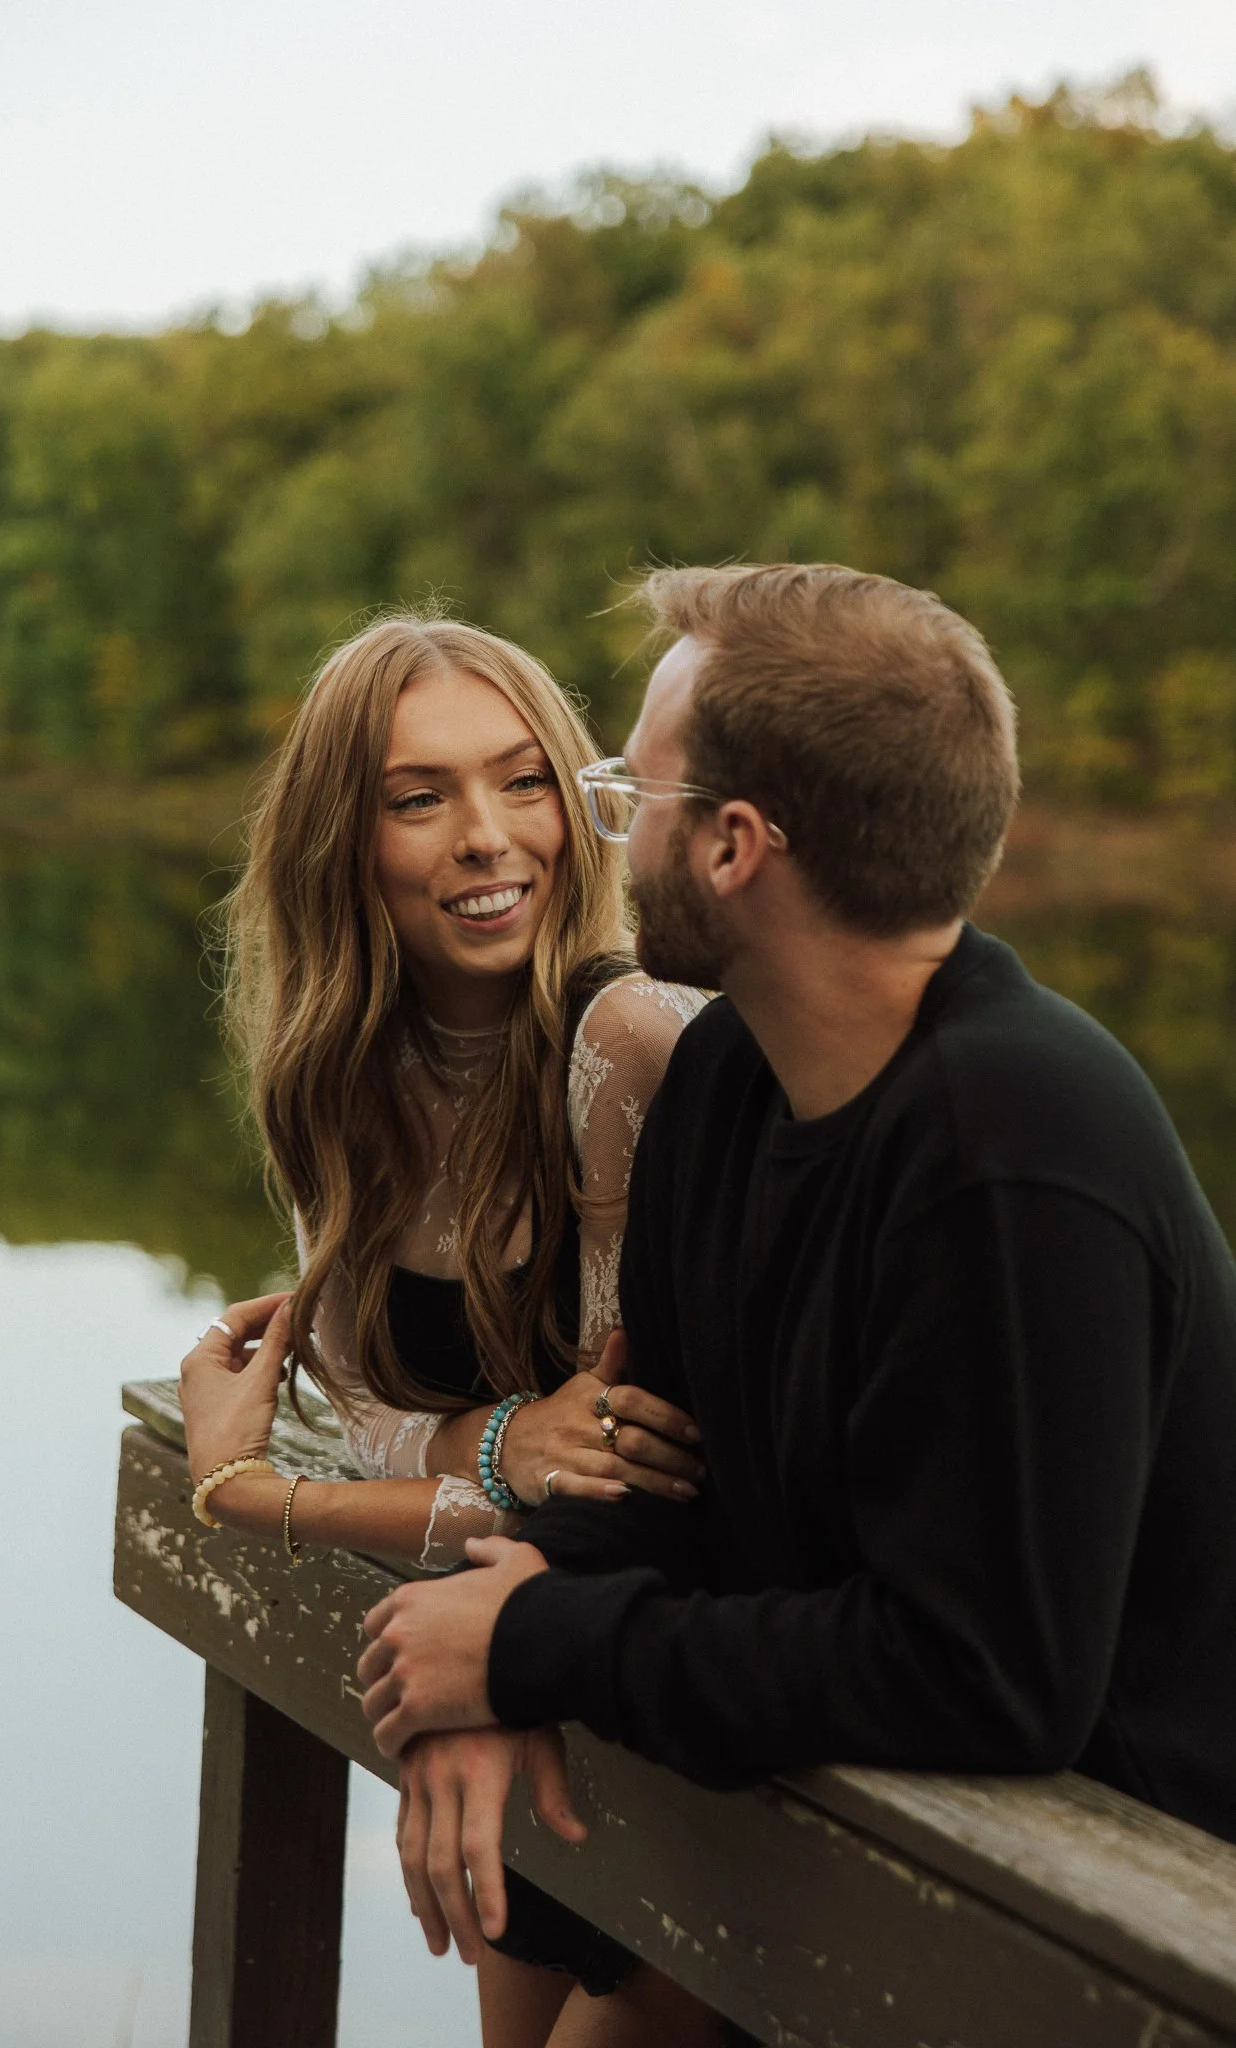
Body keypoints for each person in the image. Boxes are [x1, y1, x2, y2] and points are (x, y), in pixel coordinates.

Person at [356, 564, 1236, 2024]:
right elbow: (653, 1459)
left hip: (1110, 1939)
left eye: (631, 801)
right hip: (866, 1865)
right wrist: (497, 1626)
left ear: (734, 848)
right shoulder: (724, 1079)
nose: (604, 841)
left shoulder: (1015, 1153)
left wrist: (533, 1646)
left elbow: (980, 1677)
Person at [175, 612, 718, 2047]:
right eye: (420, 798)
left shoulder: (634, 1046)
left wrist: (255, 1494)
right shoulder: (330, 1079)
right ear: (340, 843)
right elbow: (382, 1416)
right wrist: (491, 1445)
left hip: (677, 1742)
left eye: (523, 780)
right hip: (508, 1710)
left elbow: (611, 1475)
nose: (488, 835)